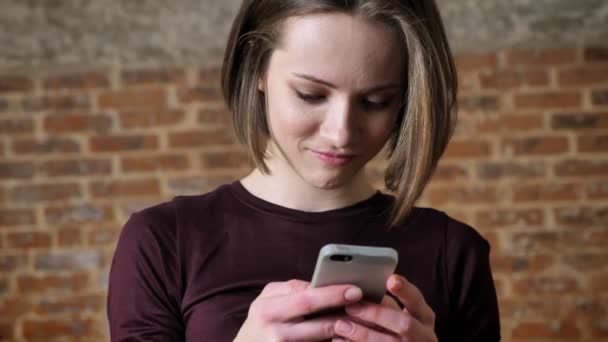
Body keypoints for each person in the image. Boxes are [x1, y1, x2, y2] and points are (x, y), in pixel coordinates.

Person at [107, 0, 501, 341]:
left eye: (376, 102)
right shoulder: (163, 242)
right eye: (310, 95)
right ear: (257, 69)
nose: (340, 133)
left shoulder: (454, 253)